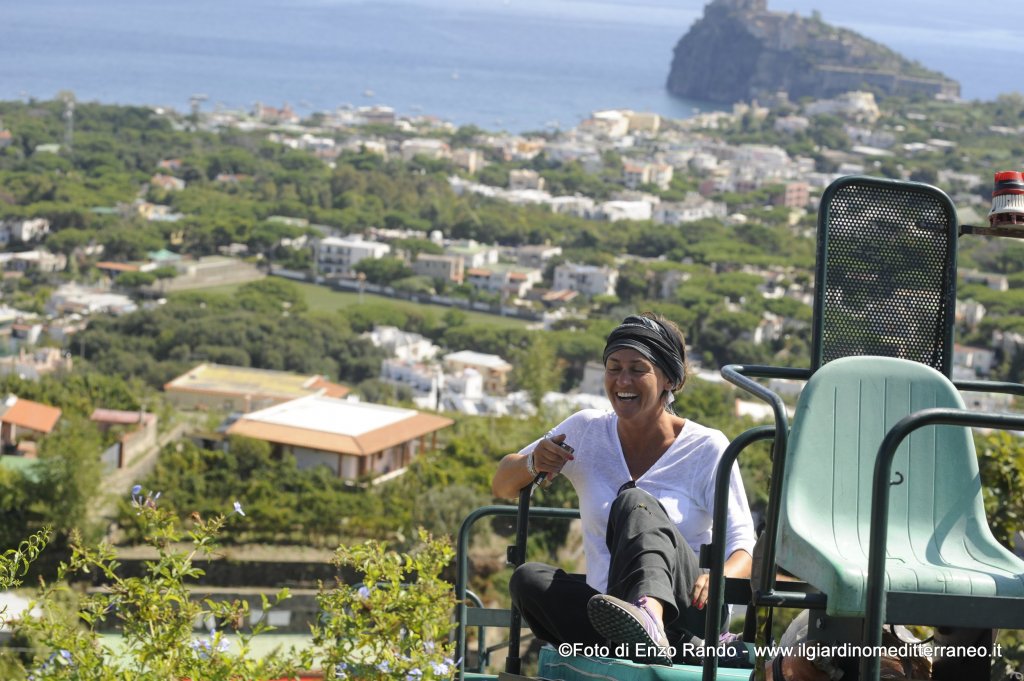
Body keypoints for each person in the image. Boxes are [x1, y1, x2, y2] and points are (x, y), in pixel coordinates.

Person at [492, 313, 755, 666]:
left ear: (669, 379)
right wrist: (533, 461)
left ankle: (656, 621)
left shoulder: (707, 447)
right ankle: (641, 640)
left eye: (638, 369)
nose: (623, 380)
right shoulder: (587, 430)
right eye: (613, 368)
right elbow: (503, 485)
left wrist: (721, 576)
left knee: (634, 502)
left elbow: (743, 544)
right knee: (528, 581)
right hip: (612, 616)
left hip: (688, 609)